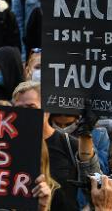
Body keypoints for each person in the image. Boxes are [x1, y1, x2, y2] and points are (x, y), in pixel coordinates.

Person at [12, 81, 101, 210]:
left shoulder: (70, 145)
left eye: (31, 108)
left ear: (47, 109)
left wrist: (86, 138)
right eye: (19, 109)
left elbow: (95, 185)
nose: (24, 114)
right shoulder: (7, 148)